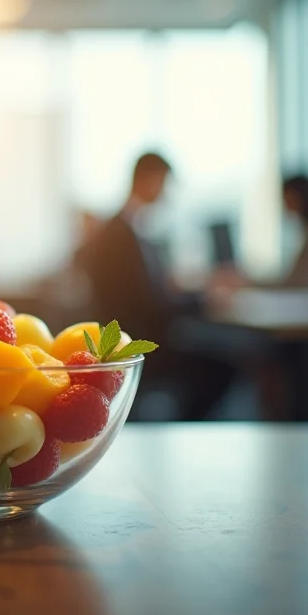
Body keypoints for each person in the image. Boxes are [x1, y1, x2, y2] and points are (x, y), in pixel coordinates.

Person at [79, 152, 234, 420]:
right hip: (139, 340)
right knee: (223, 367)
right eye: (164, 184)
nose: (165, 193)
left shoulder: (124, 228)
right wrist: (202, 299)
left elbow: (145, 292)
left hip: (140, 330)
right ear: (150, 180)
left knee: (216, 351)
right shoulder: (122, 233)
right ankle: (186, 428)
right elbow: (149, 302)